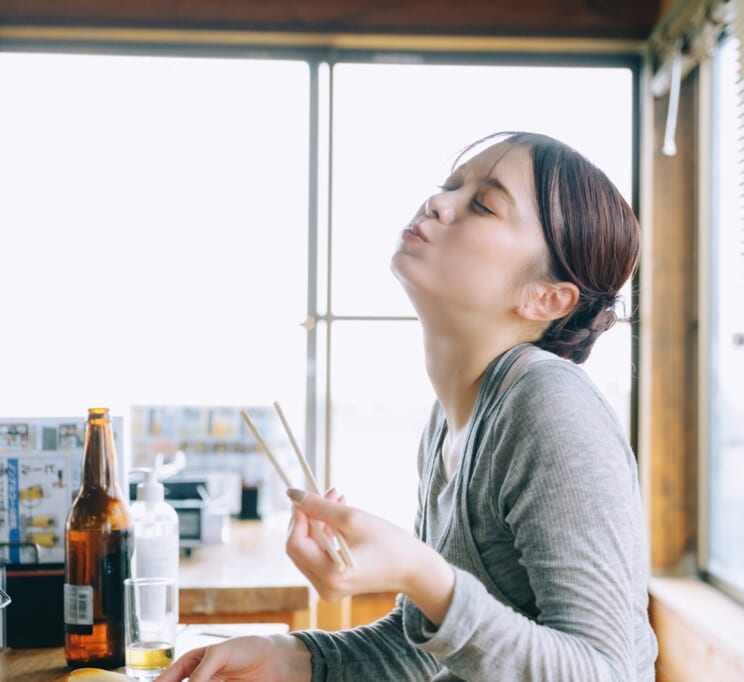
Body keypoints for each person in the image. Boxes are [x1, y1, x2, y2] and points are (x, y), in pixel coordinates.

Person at [157, 132, 658, 681]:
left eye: (483, 204)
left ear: (546, 297)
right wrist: (285, 656)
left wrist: (421, 571)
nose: (437, 203)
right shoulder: (449, 420)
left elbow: (607, 672)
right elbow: (423, 644)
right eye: (449, 186)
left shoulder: (549, 405)